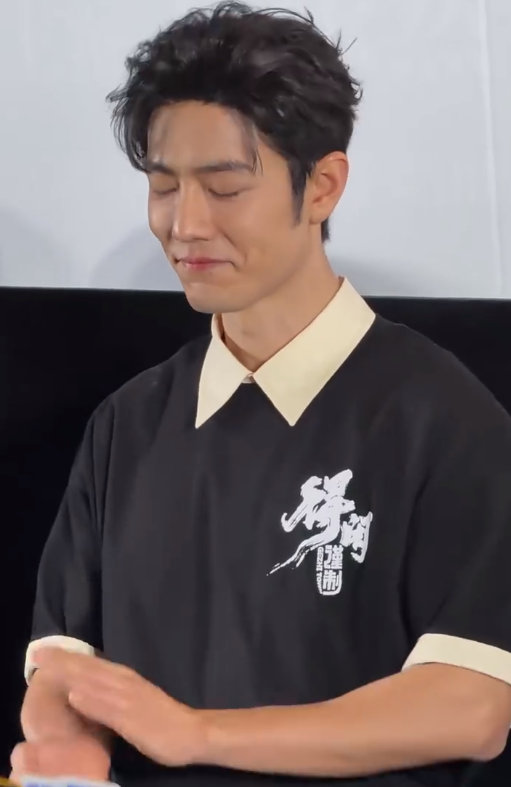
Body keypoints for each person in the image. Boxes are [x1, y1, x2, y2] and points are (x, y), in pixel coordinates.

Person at [10, 2, 511, 786]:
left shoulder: (444, 421)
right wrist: (67, 743)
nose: (184, 223)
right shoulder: (127, 424)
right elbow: (64, 665)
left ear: (323, 186)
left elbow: (470, 704)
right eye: (163, 185)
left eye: (224, 187)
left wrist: (196, 732)